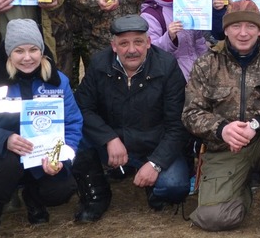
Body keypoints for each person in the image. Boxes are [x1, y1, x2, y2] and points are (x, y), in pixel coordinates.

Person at [183, 0, 260, 234]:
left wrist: (257, 124)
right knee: (214, 219)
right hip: (224, 147)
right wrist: (221, 129)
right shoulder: (206, 64)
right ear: (226, 29)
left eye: (250, 26)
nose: (243, 33)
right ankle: (241, 190)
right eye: (236, 26)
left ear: (259, 28)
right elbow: (191, 113)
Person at [0, 20, 82, 238]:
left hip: (41, 159)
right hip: (1, 159)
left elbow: (73, 124)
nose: (27, 58)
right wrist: (3, 139)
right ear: (8, 54)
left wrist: (60, 158)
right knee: (6, 167)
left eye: (33, 50)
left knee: (62, 189)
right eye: (19, 51)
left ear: (42, 51)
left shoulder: (58, 82)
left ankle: (34, 199)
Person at [71, 15, 191, 221]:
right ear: (114, 46)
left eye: (138, 42)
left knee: (175, 187)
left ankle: (152, 184)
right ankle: (96, 194)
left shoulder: (167, 66)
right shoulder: (99, 63)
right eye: (124, 43)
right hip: (112, 141)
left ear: (149, 42)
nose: (132, 50)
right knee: (75, 135)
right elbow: (82, 107)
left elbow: (177, 124)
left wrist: (155, 163)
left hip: (154, 143)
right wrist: (109, 138)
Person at [142, 0, 209, 79]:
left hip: (197, 67)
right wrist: (170, 37)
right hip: (172, 73)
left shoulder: (187, 4)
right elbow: (150, 48)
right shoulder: (150, 14)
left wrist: (207, 61)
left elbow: (198, 39)